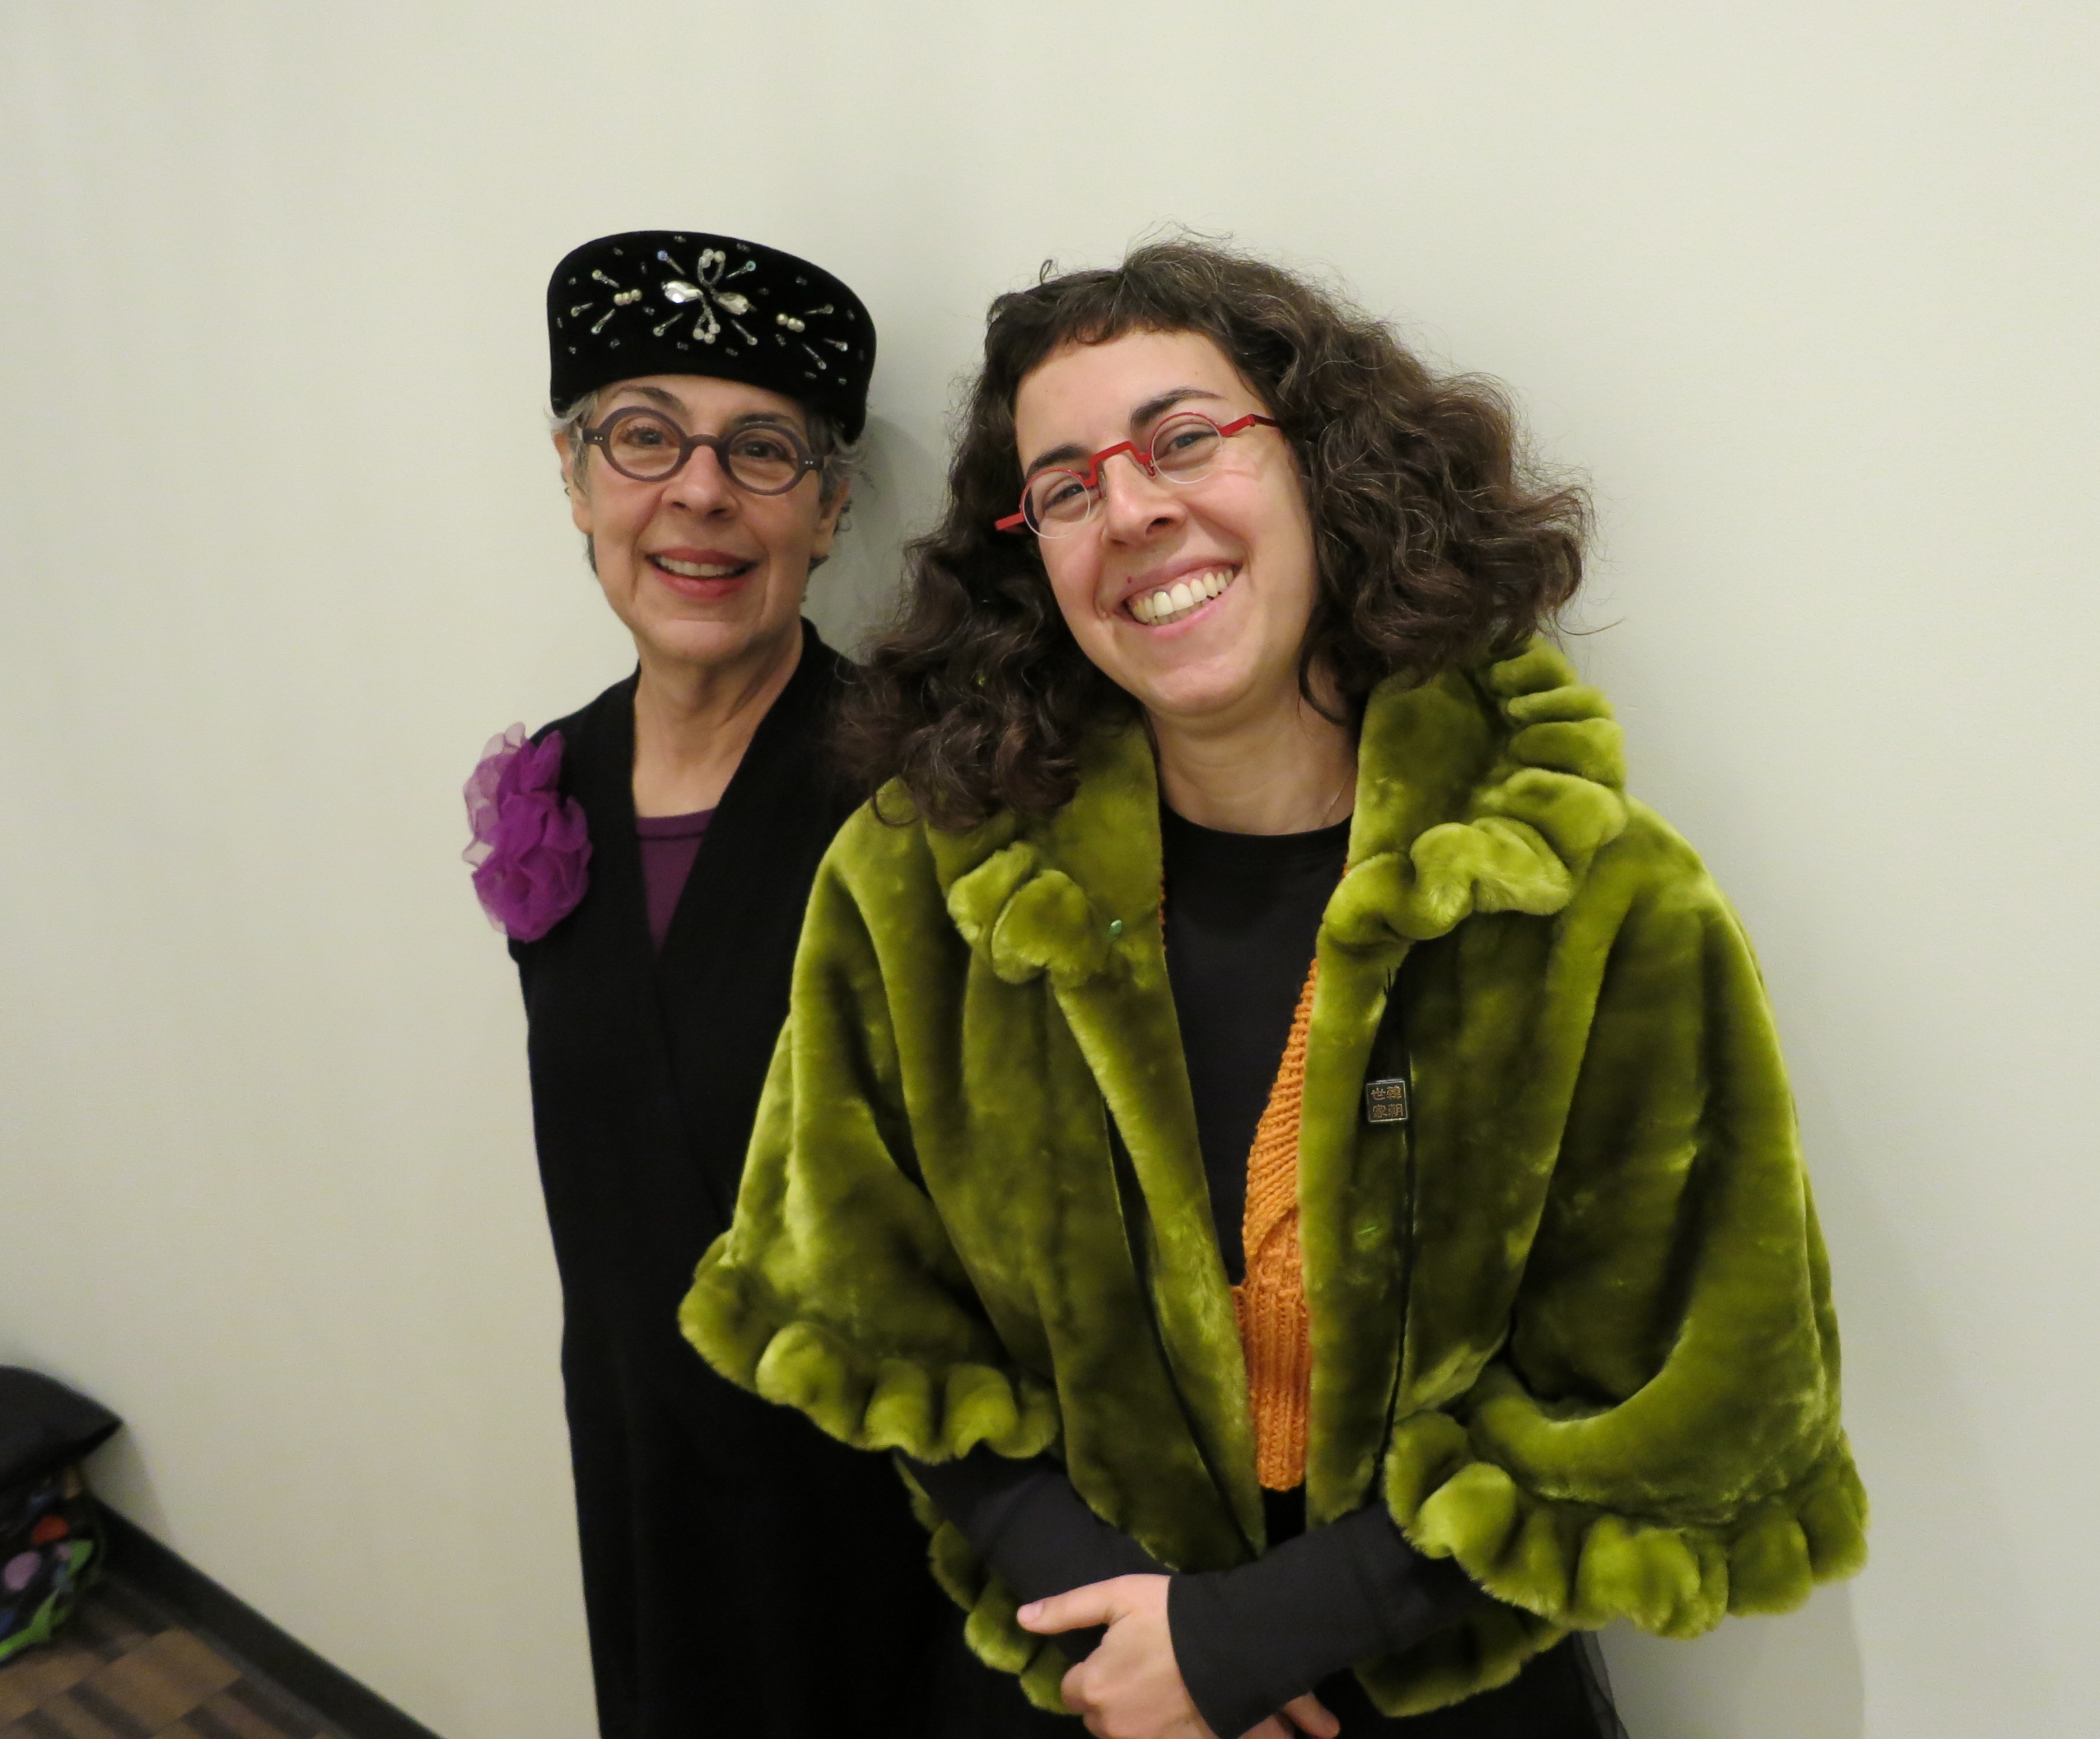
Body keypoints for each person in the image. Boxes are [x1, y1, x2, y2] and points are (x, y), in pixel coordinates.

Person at [681, 240, 1867, 1738]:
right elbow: (862, 1296)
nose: (1131, 509)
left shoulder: (1592, 901)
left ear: (1325, 466)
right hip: (1075, 1673)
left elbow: (1701, 1386)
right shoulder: (921, 885)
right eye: (1064, 487)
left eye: (1183, 438)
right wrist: (1124, 1621)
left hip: (1443, 1692)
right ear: (1030, 558)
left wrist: (1264, 1634)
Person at [463, 229, 947, 1737]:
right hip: (637, 1471)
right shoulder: (554, 781)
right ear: (574, 477)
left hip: (881, 1512)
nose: (698, 491)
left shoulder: (923, 798)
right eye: (643, 435)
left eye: (763, 449)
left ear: (831, 507)